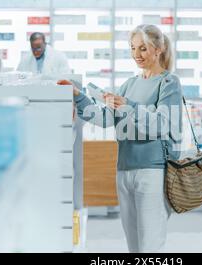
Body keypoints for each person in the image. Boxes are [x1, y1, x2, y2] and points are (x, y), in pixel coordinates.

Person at [59, 24, 183, 253]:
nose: (137, 55)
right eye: (133, 48)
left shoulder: (169, 83)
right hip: (124, 170)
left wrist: (128, 105)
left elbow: (162, 124)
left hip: (153, 172)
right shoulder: (130, 84)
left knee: (150, 245)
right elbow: (106, 119)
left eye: (143, 49)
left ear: (158, 49)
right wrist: (78, 96)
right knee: (133, 245)